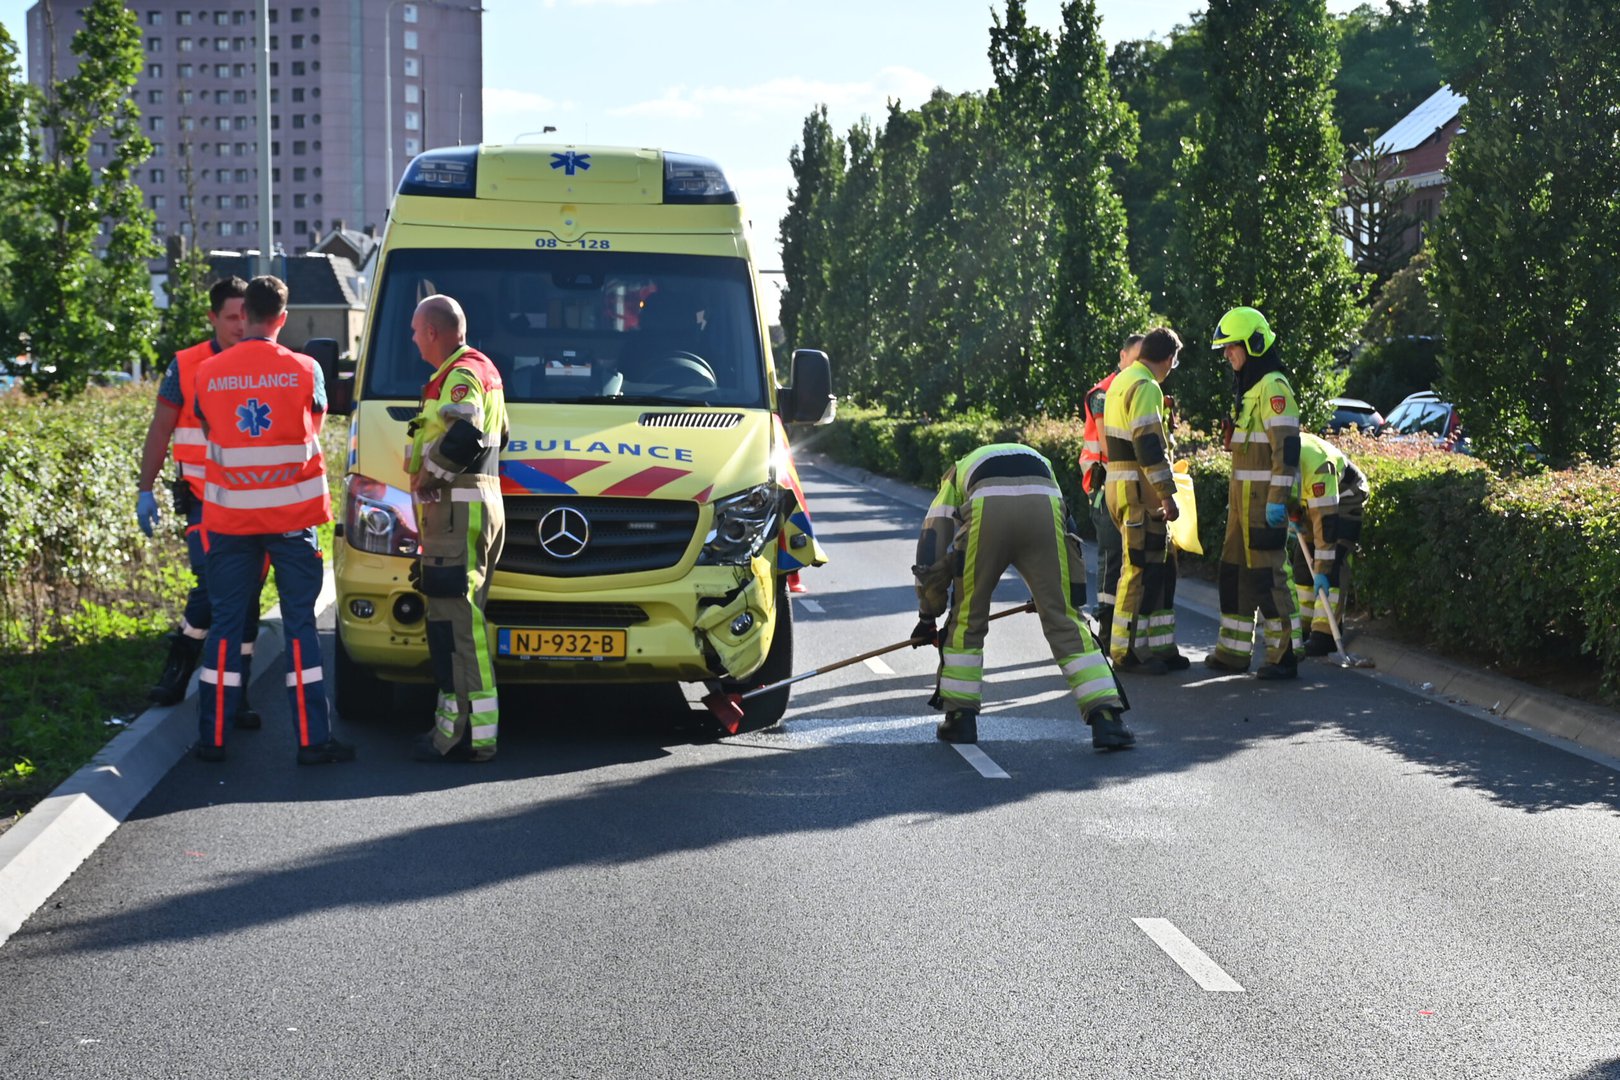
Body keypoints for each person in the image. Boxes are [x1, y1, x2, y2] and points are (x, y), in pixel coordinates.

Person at [191, 275, 353, 765]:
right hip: (291, 518)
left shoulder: (208, 372)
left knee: (223, 626)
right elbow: (316, 425)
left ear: (244, 317)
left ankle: (211, 738)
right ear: (282, 318)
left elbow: (208, 427)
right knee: (301, 626)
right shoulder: (305, 369)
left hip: (230, 519)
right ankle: (312, 740)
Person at [912, 443, 1133, 751]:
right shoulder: (1040, 461)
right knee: (1065, 621)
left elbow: (932, 543)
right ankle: (1107, 719)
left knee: (968, 617)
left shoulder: (958, 471)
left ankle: (960, 718)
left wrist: (928, 614)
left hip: (986, 512)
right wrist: (1056, 597)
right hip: (1043, 506)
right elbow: (1068, 536)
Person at [136, 277, 265, 722]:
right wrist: (145, 489)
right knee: (213, 583)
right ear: (212, 318)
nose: (240, 324)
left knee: (246, 596)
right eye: (231, 316)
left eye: (246, 315)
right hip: (204, 500)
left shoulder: (263, 362)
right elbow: (161, 429)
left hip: (255, 502)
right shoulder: (186, 366)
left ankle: (238, 694)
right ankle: (179, 668)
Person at [406, 294, 510, 764]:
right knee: (459, 621)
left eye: (415, 330)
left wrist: (429, 479)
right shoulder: (483, 370)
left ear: (433, 331)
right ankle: (459, 729)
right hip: (474, 506)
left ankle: (465, 736)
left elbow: (464, 434)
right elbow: (500, 435)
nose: (412, 338)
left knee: (456, 626)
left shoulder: (460, 375)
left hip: (456, 510)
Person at [1204, 306, 1302, 680]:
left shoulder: (1274, 387)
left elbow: (1286, 450)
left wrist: (1278, 501)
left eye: (1232, 347)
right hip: (1241, 505)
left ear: (1254, 344)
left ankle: (1284, 656)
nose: (1228, 354)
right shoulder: (1250, 389)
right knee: (1234, 574)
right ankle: (1233, 652)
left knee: (1268, 578)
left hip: (1263, 504)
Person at [1102, 327, 1189, 674]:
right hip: (1139, 492)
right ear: (1169, 359)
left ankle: (1160, 647)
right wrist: (1168, 495)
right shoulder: (1146, 386)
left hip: (1123, 486)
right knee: (1138, 569)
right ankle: (1125, 653)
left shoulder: (1123, 380)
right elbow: (1148, 445)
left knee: (1159, 567)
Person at [1079, 333, 1143, 655]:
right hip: (1107, 487)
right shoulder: (1104, 393)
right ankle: (1105, 627)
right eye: (1134, 359)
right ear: (1122, 357)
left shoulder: (1138, 389)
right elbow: (1107, 446)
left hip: (1126, 485)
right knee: (1112, 556)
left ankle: (1121, 631)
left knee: (1128, 558)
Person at [1289, 432, 1369, 656]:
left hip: (1345, 499)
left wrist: (1322, 569)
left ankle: (1325, 635)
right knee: (1303, 564)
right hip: (1309, 500)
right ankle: (1304, 628)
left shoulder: (1318, 468)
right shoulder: (1278, 455)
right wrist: (1292, 514)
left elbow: (1327, 525)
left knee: (1332, 562)